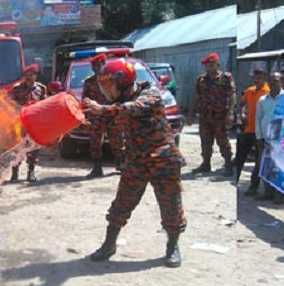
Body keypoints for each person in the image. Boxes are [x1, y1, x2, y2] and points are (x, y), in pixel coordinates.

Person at [82, 58, 186, 268]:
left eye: (109, 85)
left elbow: (133, 108)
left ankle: (172, 246)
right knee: (121, 204)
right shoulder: (116, 104)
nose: (106, 91)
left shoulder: (150, 94)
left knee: (171, 206)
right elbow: (103, 119)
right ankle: (109, 245)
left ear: (123, 81)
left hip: (162, 159)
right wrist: (80, 117)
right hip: (135, 161)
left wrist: (102, 109)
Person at [186, 52, 235, 176]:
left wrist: (230, 113)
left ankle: (228, 165)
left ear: (218, 65)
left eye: (212, 65)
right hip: (204, 116)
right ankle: (206, 164)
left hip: (220, 116)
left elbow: (232, 95)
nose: (209, 67)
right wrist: (190, 114)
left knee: (223, 140)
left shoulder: (226, 77)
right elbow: (196, 97)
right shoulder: (201, 79)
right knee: (205, 141)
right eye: (207, 65)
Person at [83, 53, 125, 178]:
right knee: (95, 142)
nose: (96, 68)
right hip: (96, 117)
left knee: (117, 140)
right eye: (94, 66)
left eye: (98, 65)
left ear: (103, 65)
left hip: (111, 114)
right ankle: (97, 168)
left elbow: (120, 96)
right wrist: (86, 112)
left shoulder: (112, 79)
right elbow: (85, 98)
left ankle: (120, 164)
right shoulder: (89, 82)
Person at [9, 64, 46, 183]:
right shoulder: (17, 89)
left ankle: (31, 172)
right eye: (26, 76)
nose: (28, 78)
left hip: (34, 124)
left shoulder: (41, 88)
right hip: (20, 124)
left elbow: (45, 105)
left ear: (35, 76)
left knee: (33, 148)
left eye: (31, 76)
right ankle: (15, 173)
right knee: (17, 148)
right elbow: (9, 104)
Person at [254, 72, 284, 204]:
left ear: (281, 82)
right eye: (271, 81)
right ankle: (268, 191)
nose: (274, 83)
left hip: (283, 139)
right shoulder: (262, 100)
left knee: (280, 167)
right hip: (266, 138)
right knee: (266, 165)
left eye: (276, 80)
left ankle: (280, 194)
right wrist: (259, 137)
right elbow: (258, 119)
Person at [235, 69, 270, 196]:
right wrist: (241, 115)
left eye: (259, 78)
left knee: (258, 160)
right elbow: (240, 104)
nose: (257, 80)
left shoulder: (268, 92)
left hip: (261, 132)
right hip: (248, 129)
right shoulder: (250, 91)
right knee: (240, 157)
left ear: (265, 78)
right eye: (255, 78)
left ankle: (253, 187)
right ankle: (234, 182)